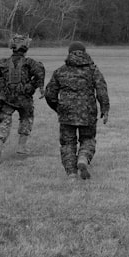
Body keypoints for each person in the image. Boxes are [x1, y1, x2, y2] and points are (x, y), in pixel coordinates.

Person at [44, 42, 110, 179]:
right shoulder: (93, 70)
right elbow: (101, 90)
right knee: (88, 139)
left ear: (69, 53)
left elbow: (49, 94)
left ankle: (71, 173)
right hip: (88, 113)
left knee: (67, 143)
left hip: (66, 113)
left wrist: (58, 108)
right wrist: (105, 108)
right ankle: (83, 158)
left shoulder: (60, 71)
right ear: (84, 52)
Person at [0, 34, 45, 164]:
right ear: (26, 48)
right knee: (27, 119)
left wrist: (2, 86)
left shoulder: (3, 62)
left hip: (7, 98)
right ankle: (22, 147)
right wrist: (36, 86)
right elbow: (40, 71)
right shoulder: (30, 63)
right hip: (25, 99)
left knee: (5, 122)